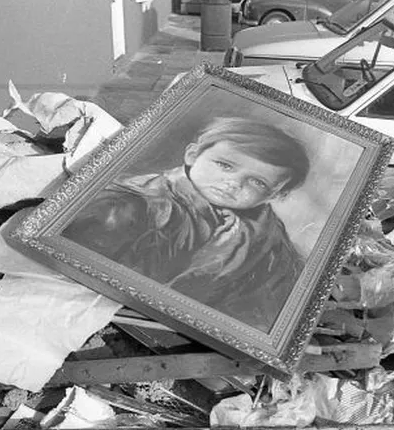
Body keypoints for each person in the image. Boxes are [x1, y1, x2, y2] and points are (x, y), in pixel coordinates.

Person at [62, 117, 311, 332]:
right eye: (225, 165)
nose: (233, 183)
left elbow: (267, 306)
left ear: (274, 195)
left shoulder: (269, 240)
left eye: (257, 182)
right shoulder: (132, 203)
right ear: (193, 154)